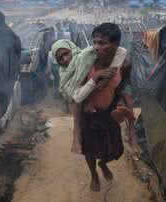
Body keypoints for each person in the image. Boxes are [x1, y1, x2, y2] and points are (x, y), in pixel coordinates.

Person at [53, 23, 140, 192]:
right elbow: (78, 101)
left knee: (114, 150)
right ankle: (94, 175)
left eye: (102, 43)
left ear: (115, 45)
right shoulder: (85, 65)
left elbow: (127, 85)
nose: (96, 47)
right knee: (89, 151)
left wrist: (125, 99)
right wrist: (76, 134)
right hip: (89, 116)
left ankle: (103, 164)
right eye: (95, 42)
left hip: (110, 114)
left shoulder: (124, 64)